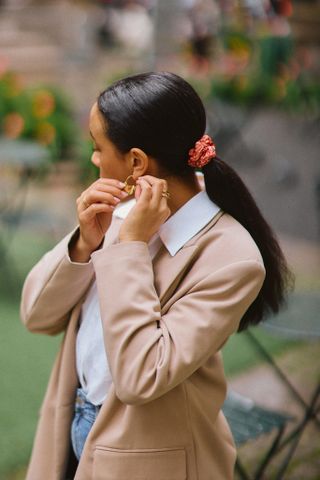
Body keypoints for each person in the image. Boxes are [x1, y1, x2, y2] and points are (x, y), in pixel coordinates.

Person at [20, 71, 292, 480]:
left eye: (98, 148)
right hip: (71, 429)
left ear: (136, 163)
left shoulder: (231, 258)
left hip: (146, 459)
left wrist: (128, 247)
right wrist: (83, 246)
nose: (94, 159)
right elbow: (36, 315)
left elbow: (139, 377)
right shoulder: (118, 213)